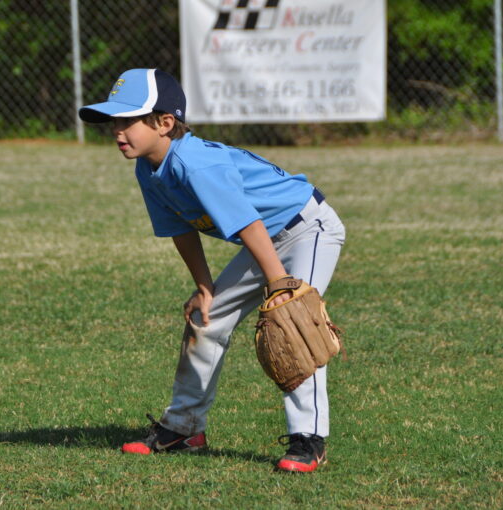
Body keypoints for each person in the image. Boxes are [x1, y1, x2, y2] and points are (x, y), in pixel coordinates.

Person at [78, 68, 345, 473]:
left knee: (293, 327)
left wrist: (281, 287)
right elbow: (179, 228)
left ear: (165, 123)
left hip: (305, 228)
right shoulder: (148, 169)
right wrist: (203, 286)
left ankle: (308, 440)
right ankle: (184, 429)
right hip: (265, 240)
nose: (118, 130)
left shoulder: (195, 163)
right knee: (207, 319)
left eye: (128, 120)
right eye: (115, 122)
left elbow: (248, 224)